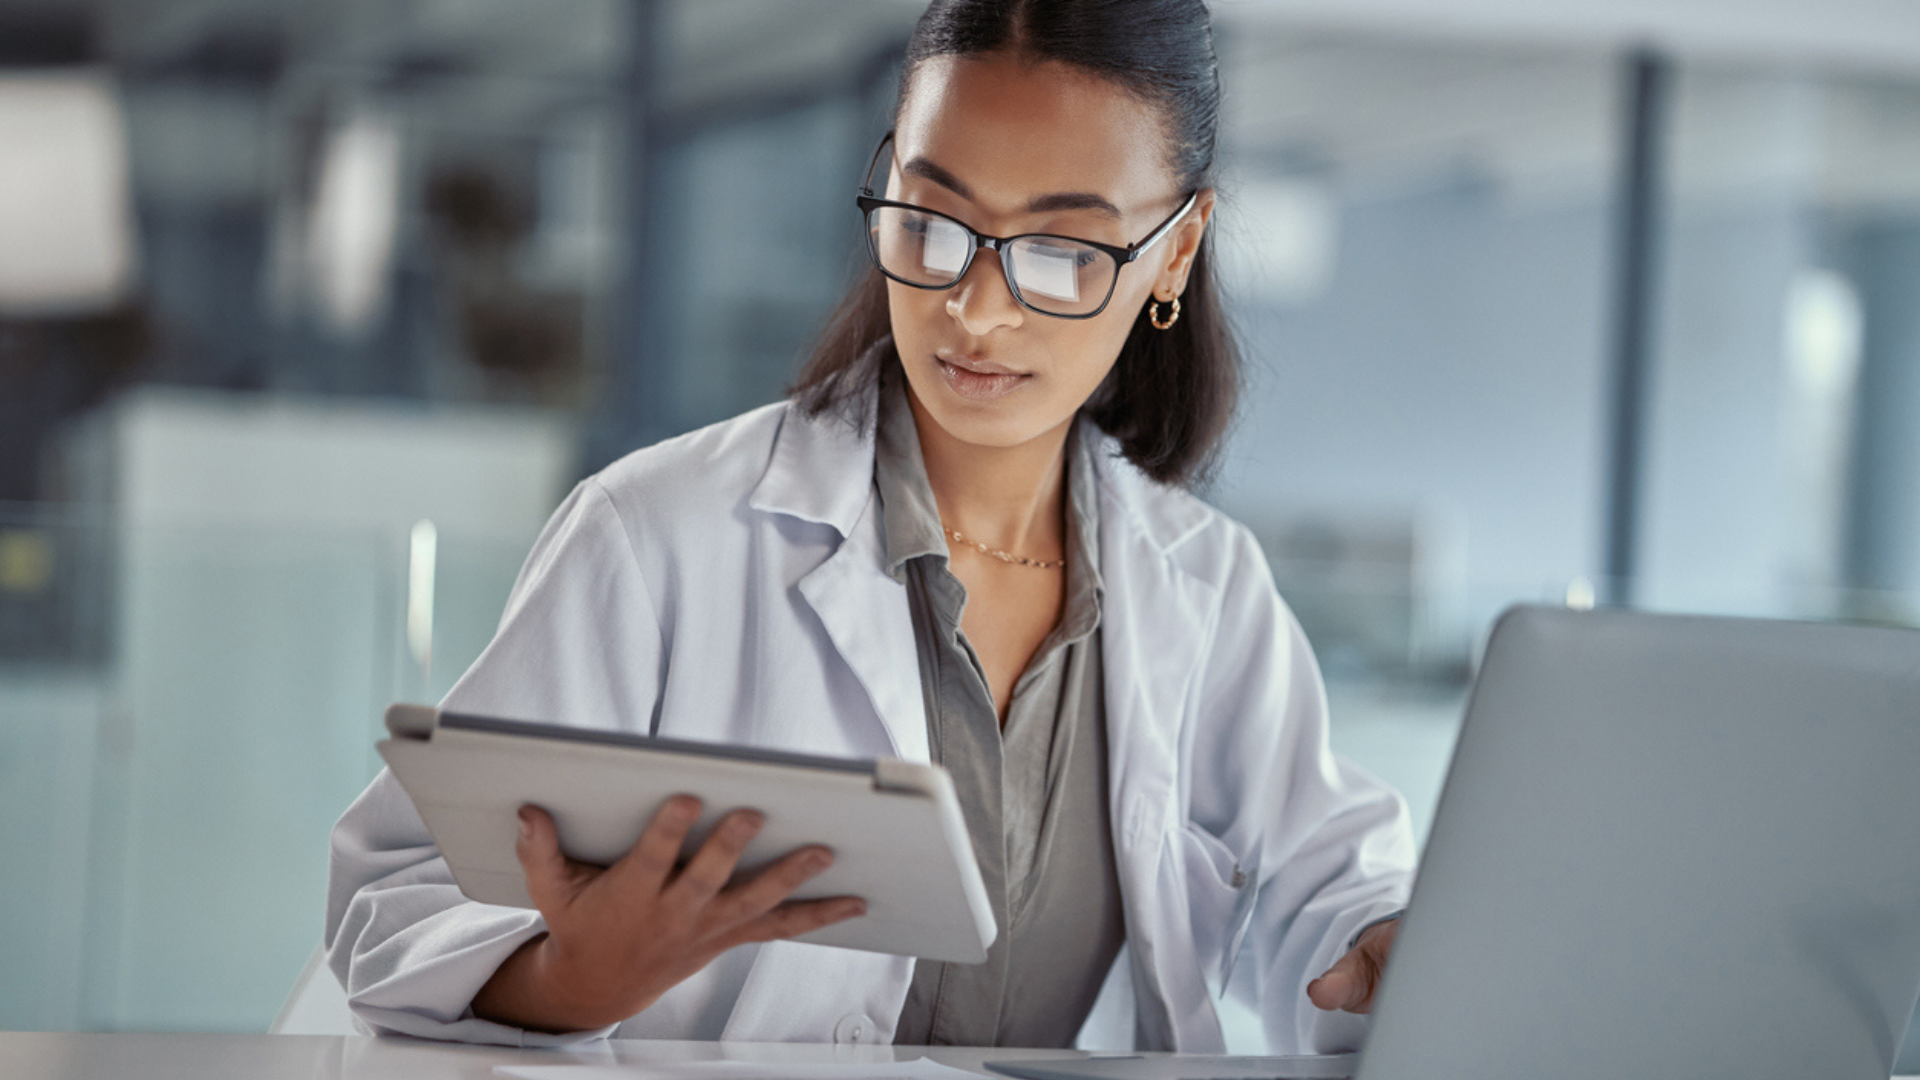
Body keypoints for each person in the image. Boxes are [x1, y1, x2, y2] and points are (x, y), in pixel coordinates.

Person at [325, 0, 1413, 1054]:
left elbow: (1323, 889)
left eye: (1061, 251)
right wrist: (569, 982)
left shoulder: (1206, 587)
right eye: (934, 221)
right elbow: (396, 895)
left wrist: (1383, 945)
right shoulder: (656, 538)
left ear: (1175, 254)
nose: (978, 308)